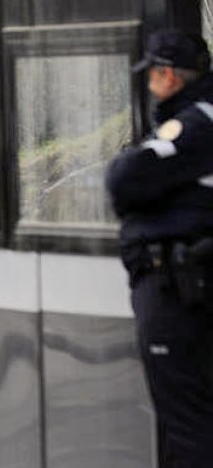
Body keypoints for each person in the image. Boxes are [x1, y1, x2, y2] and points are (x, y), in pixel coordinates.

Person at [106, 29, 213, 467]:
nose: (148, 83)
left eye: (151, 74)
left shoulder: (195, 123)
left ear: (168, 76)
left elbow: (125, 178)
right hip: (184, 285)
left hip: (179, 290)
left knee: (187, 425)